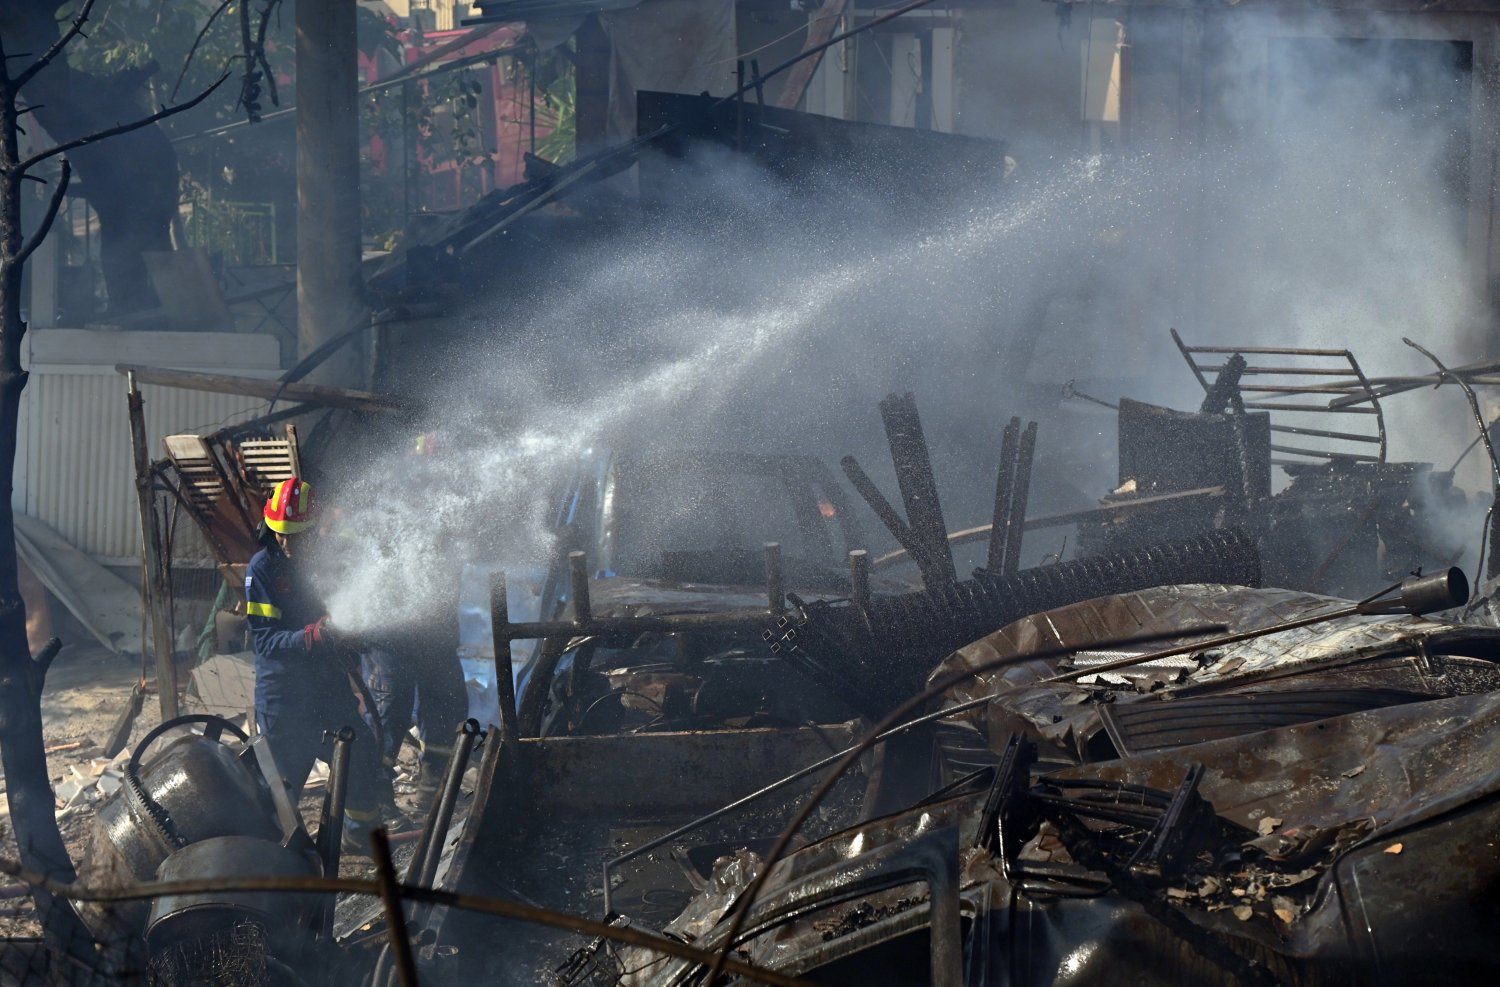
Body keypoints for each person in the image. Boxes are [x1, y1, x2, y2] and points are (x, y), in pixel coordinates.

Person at [245, 476, 395, 854]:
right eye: (281, 533)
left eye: (296, 534)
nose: (286, 542)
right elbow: (265, 640)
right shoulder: (262, 569)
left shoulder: (329, 563)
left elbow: (348, 617)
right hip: (285, 695)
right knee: (283, 787)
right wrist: (312, 636)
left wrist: (353, 637)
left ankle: (359, 836)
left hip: (328, 688)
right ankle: (272, 859)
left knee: (358, 758)